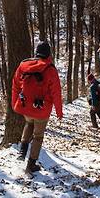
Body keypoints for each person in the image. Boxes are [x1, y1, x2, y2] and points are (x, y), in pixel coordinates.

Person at [12, 41, 63, 173]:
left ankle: (22, 152)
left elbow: (15, 86)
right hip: (42, 110)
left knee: (29, 124)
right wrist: (59, 112)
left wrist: (14, 103)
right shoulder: (50, 69)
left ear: (36, 52)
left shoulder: (24, 65)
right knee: (38, 136)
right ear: (48, 54)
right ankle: (31, 165)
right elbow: (56, 92)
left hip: (25, 107)